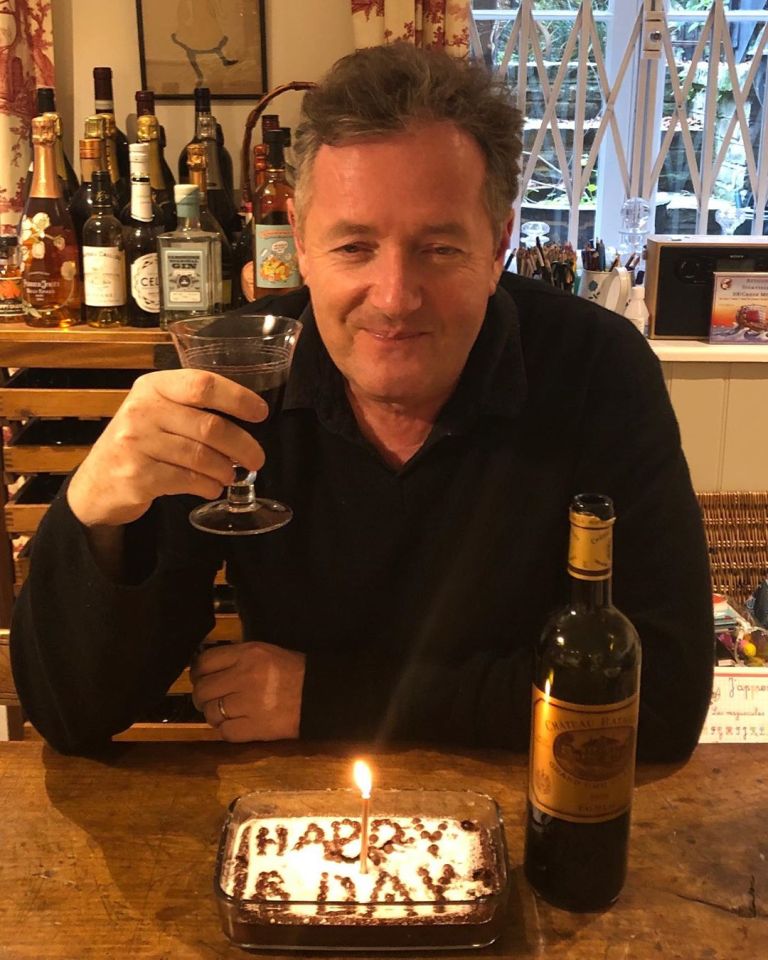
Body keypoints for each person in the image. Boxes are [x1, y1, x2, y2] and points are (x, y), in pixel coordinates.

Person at [10, 44, 713, 758]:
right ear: (303, 245)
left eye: (439, 248)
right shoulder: (230, 377)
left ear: (499, 242)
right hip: (292, 833)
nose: (395, 297)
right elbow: (74, 715)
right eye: (353, 247)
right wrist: (94, 510)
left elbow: (662, 700)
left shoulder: (598, 368)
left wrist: (328, 697)